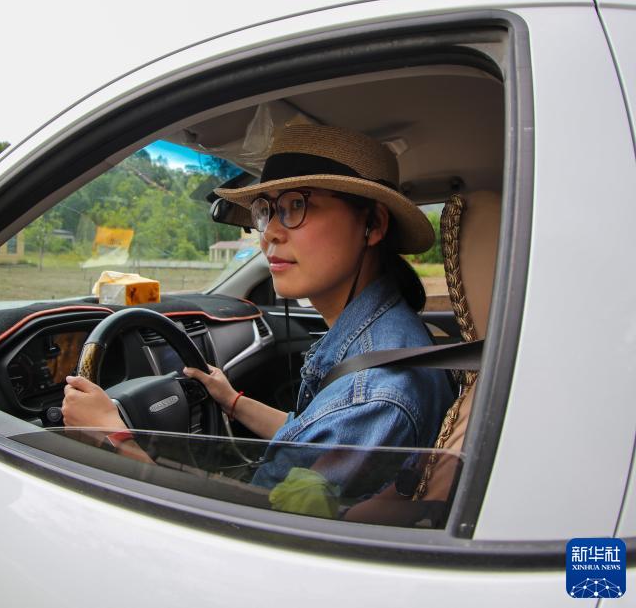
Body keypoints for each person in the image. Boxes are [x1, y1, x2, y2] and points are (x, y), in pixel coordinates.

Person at [61, 122, 454, 498]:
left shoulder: (369, 399)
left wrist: (112, 435)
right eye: (266, 210)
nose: (269, 233)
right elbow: (311, 435)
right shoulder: (383, 337)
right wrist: (231, 400)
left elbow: (241, 524)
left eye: (297, 205)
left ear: (374, 224)